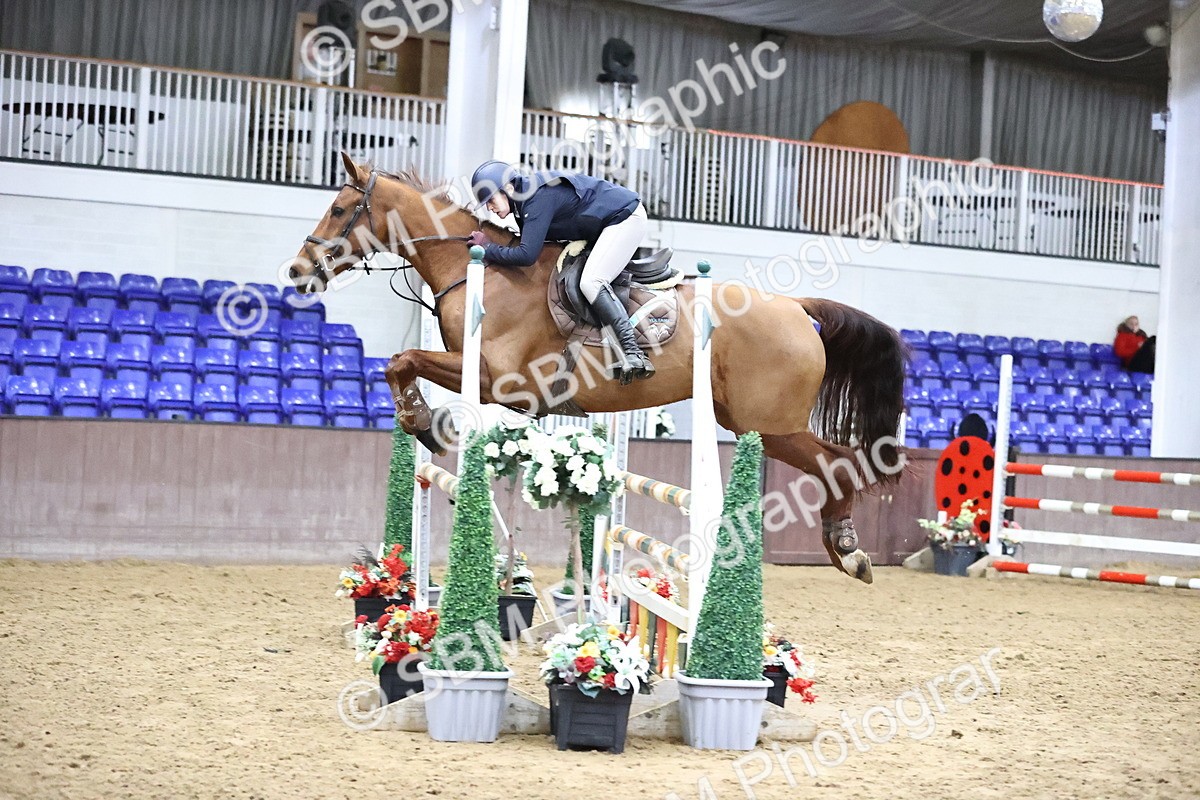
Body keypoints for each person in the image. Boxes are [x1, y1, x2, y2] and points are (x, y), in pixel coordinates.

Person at [467, 161, 653, 384]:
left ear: (507, 188)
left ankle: (633, 352)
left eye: (491, 200)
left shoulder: (536, 199)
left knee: (591, 282)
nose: (490, 208)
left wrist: (487, 249)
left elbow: (526, 256)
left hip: (625, 218)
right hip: (603, 225)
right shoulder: (522, 204)